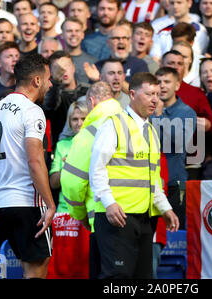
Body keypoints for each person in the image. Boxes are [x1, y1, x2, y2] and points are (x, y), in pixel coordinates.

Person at [0, 53, 55, 279]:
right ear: (36, 81)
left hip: (0, 204)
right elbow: (35, 160)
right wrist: (49, 204)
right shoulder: (32, 110)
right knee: (37, 269)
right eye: (48, 78)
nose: (51, 83)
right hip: (28, 201)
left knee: (29, 267)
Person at [89, 72, 179, 279]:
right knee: (117, 278)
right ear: (132, 94)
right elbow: (96, 169)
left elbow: (153, 179)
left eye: (157, 94)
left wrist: (165, 208)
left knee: (143, 278)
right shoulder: (113, 124)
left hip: (144, 219)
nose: (155, 99)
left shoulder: (151, 132)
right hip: (116, 217)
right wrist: (109, 202)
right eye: (148, 94)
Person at [60, 81, 123, 278]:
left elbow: (72, 182)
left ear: (92, 102)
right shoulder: (133, 123)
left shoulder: (90, 132)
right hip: (139, 216)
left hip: (104, 217)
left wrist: (79, 215)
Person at [151, 66, 196, 229]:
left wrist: (159, 116)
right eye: (158, 82)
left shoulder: (187, 112)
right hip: (149, 183)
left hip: (174, 183)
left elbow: (178, 143)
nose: (162, 86)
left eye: (167, 82)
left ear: (177, 85)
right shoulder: (145, 110)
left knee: (175, 235)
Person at [43, 50, 90, 148]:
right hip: (62, 147)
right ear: (51, 72)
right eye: (57, 67)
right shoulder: (50, 94)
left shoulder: (88, 90)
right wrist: (55, 81)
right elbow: (49, 106)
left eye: (66, 66)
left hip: (88, 145)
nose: (63, 70)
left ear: (73, 67)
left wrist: (98, 80)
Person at [49, 100, 88, 212]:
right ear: (69, 122)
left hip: (90, 210)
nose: (79, 123)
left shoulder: (97, 143)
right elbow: (53, 183)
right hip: (65, 211)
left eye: (83, 118)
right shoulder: (62, 145)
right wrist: (68, 166)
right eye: (75, 119)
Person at [61, 17, 96, 85]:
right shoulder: (55, 61)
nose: (73, 34)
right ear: (62, 35)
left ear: (83, 35)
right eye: (69, 31)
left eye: (77, 31)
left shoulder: (93, 62)